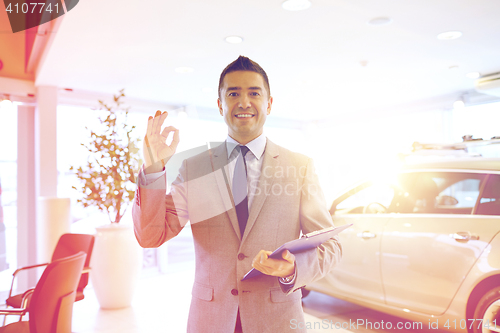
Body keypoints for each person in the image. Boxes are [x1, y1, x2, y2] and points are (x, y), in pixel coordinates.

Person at [133, 56, 342, 333]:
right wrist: (152, 170)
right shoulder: (194, 168)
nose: (244, 102)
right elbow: (150, 236)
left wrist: (293, 269)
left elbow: (331, 246)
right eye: (233, 94)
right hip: (211, 320)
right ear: (220, 105)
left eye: (254, 93)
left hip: (277, 321)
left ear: (269, 103)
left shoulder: (299, 167)